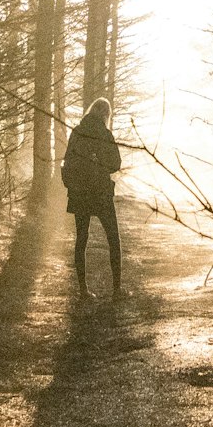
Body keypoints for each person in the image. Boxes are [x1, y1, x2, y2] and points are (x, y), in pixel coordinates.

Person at [61, 97, 122, 296]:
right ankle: (116, 288)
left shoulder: (77, 133)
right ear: (106, 115)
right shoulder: (105, 134)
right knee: (113, 239)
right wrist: (99, 162)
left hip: (80, 193)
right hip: (101, 192)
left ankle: (83, 289)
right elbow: (115, 164)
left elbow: (67, 160)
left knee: (81, 239)